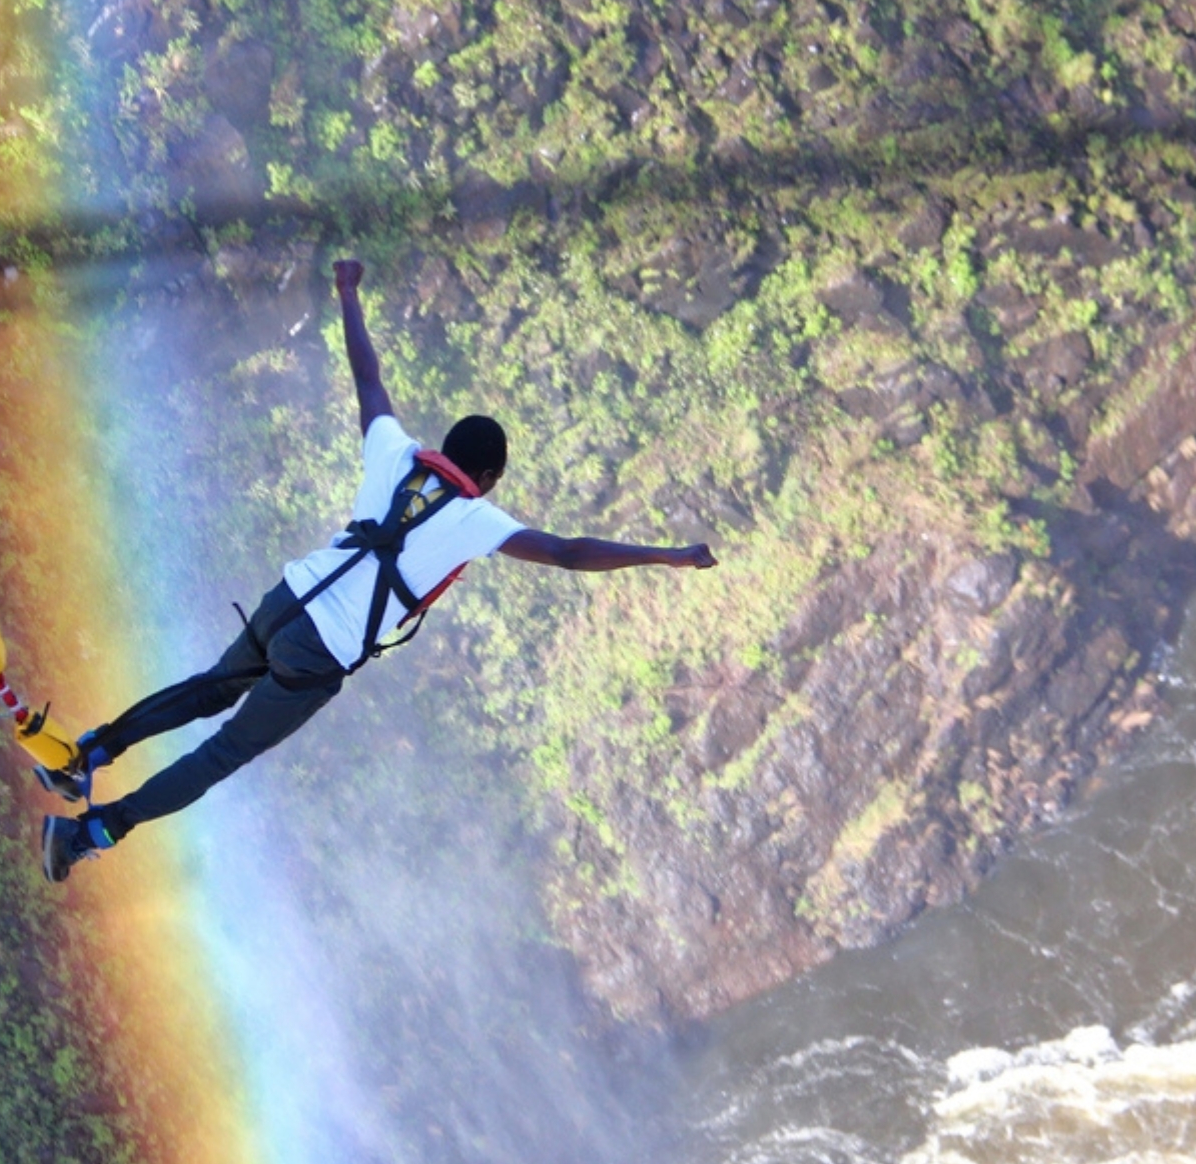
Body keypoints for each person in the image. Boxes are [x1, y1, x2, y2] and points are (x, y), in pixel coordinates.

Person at [41, 259, 716, 881]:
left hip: (291, 595)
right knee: (220, 754)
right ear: (486, 477)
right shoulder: (477, 518)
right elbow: (569, 552)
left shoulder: (397, 452)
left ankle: (88, 754)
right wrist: (670, 555)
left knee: (209, 687)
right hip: (319, 652)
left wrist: (348, 292)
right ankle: (90, 832)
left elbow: (368, 377)